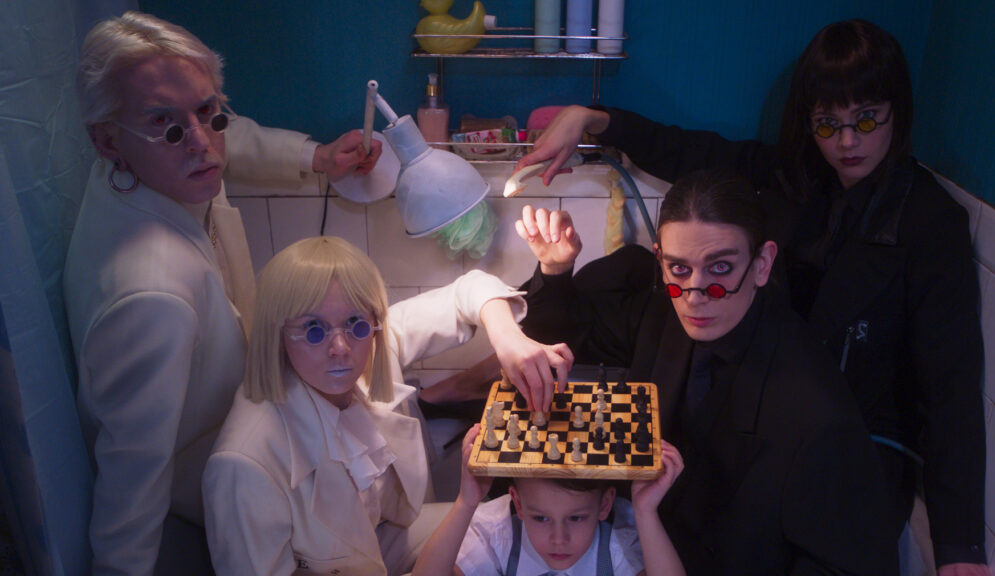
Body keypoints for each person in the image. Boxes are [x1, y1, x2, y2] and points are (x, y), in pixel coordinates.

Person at [515, 19, 987, 576]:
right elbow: (692, 154)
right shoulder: (794, 180)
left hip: (852, 438)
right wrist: (596, 120)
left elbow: (951, 382)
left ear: (761, 263)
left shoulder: (928, 225)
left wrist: (960, 547)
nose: (846, 141)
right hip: (755, 402)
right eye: (827, 123)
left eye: (865, 119)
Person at [63, 11, 385, 575]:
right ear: (106, 139)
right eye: (165, 124)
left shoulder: (152, 170)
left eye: (208, 111)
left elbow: (223, 135)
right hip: (227, 494)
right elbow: (131, 489)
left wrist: (315, 158)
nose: (203, 143)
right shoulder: (153, 297)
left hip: (250, 432)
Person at [515, 170, 897, 575]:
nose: (696, 296)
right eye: (679, 269)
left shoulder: (815, 411)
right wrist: (555, 271)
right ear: (660, 260)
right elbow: (565, 339)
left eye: (720, 268)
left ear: (762, 264)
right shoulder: (665, 314)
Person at [202, 236, 573, 576]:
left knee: (512, 527)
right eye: (314, 329)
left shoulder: (371, 350)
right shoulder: (243, 466)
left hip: (384, 540)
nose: (341, 348)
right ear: (278, 333)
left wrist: (508, 339)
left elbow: (470, 290)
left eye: (355, 323)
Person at [411, 425, 686, 576]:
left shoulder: (618, 541)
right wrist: (465, 504)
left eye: (576, 518)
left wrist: (646, 512)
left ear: (604, 505)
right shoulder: (497, 530)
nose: (559, 539)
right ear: (518, 504)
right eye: (540, 518)